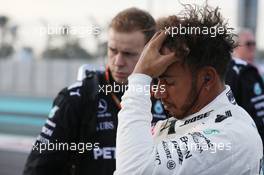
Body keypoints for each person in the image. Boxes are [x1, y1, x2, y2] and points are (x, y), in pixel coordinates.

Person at [115, 5, 263, 175]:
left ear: (207, 78)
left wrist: (140, 78)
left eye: (168, 81)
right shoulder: (191, 119)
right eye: (156, 80)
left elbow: (132, 171)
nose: (157, 92)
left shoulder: (230, 137)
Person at [23, 8, 167, 175]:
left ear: (150, 52)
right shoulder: (77, 97)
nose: (118, 62)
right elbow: (37, 169)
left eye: (128, 54)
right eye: (113, 50)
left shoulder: (167, 95)